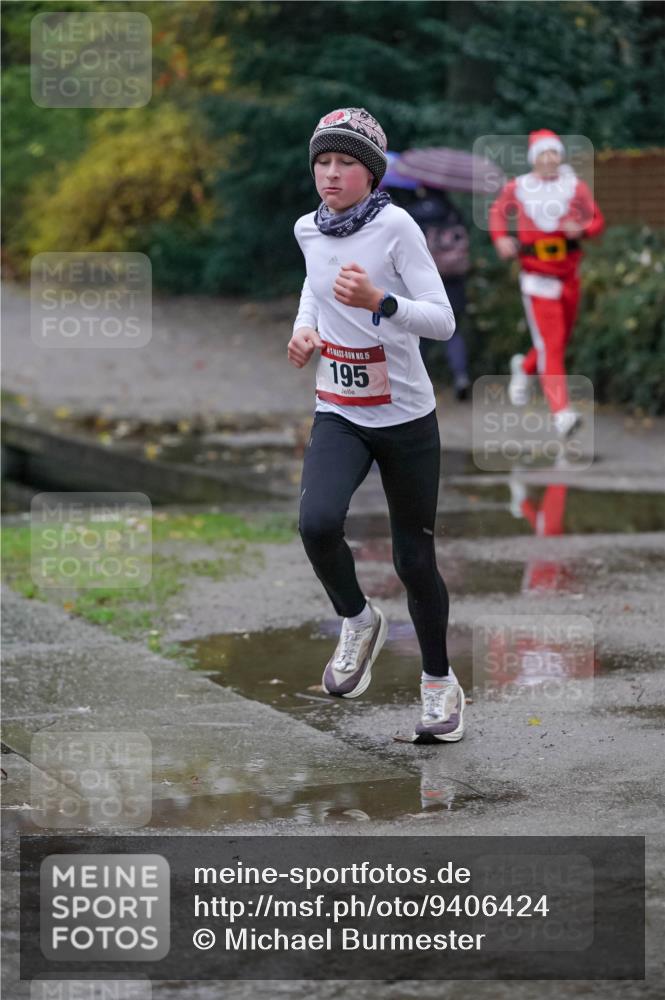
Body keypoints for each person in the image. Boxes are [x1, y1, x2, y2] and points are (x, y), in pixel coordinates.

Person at [288, 107, 465, 742]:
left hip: (406, 416)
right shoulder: (309, 228)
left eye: (344, 163)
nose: (330, 174)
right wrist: (304, 329)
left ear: (370, 173)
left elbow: (441, 320)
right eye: (322, 162)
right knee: (315, 523)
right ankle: (357, 619)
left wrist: (381, 303)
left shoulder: (397, 228)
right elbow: (314, 287)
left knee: (414, 559)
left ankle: (439, 686)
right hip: (339, 407)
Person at [489, 129, 605, 437]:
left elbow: (597, 221)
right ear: (533, 159)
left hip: (569, 275)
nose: (549, 159)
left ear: (560, 155)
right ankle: (562, 414)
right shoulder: (519, 188)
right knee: (551, 345)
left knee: (557, 341)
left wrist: (581, 228)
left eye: (553, 153)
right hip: (536, 277)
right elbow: (498, 214)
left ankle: (524, 368)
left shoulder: (574, 188)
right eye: (542, 154)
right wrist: (501, 240)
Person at [407, 188, 472, 400]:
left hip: (423, 281)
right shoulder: (454, 211)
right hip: (453, 281)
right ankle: (460, 376)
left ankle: (418, 383)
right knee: (452, 330)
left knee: (420, 332)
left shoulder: (413, 213)